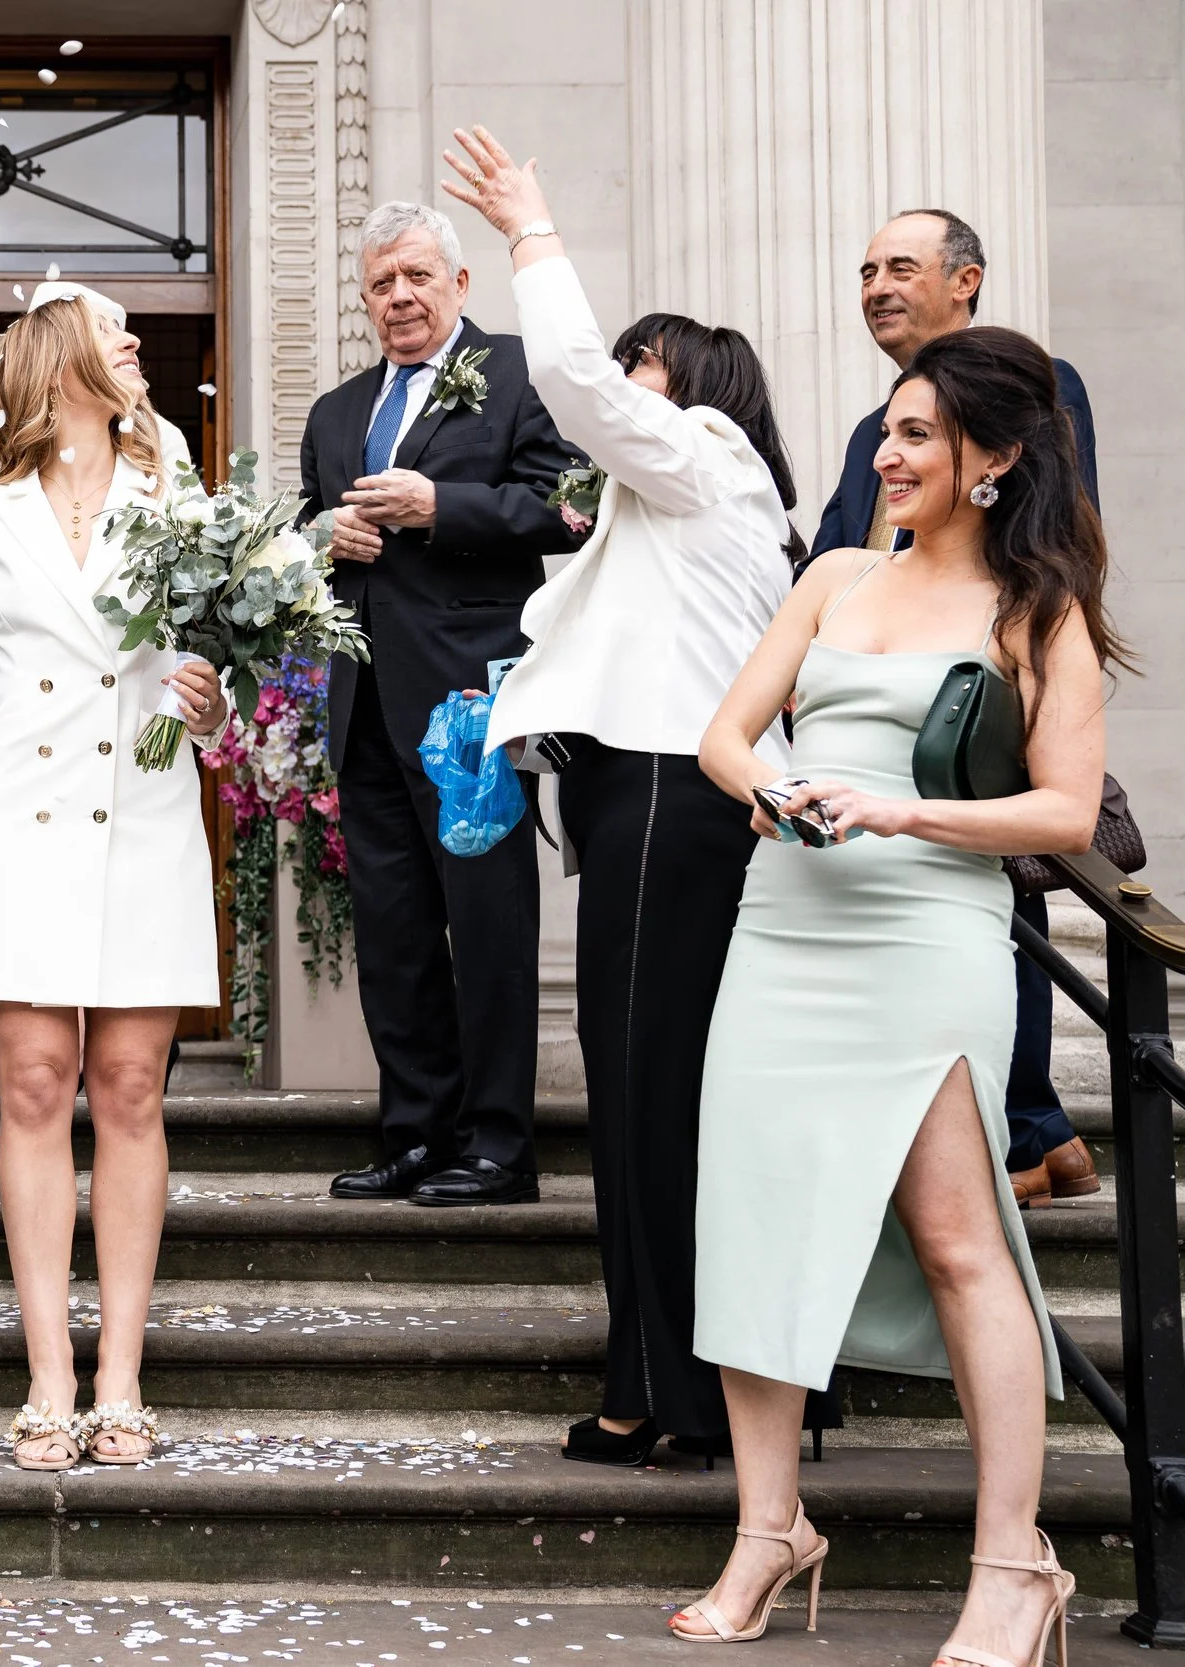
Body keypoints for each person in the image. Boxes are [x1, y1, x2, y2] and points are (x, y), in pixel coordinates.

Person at [686, 325, 1122, 1663]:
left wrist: (904, 809)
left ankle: (1013, 1562)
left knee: (958, 1238)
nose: (891, 449)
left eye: (922, 431)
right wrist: (776, 795)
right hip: (785, 929)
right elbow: (724, 732)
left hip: (930, 938)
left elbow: (1064, 812)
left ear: (993, 458)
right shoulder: (830, 576)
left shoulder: (1036, 611)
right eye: (890, 426)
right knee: (753, 1225)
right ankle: (770, 1528)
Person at [442, 126, 842, 1468]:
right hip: (680, 802)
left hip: (671, 801)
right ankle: (702, 1381)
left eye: (642, 370)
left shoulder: (703, 452)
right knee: (684, 1100)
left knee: (644, 1096)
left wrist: (530, 225)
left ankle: (659, 1393)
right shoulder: (700, 502)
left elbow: (562, 373)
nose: (620, 386)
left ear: (693, 387)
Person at [0, 282, 225, 1471]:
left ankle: (123, 1372)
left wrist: (198, 717)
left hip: (147, 813)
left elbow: (210, 663)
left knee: (129, 1086)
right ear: (65, 357)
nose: (137, 349)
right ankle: (49, 1370)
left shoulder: (184, 499)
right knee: (34, 1081)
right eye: (119, 333)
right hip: (21, 819)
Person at [811, 208, 1105, 1211]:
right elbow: (832, 556)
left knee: (994, 897)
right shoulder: (869, 434)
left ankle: (1018, 1127)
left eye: (901, 266)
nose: (876, 286)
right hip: (881, 714)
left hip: (978, 692)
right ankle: (1043, 1127)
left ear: (966, 281)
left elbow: (1056, 542)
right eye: (863, 271)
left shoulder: (1041, 392)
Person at [300, 200, 583, 1208]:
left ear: (460, 285)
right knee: (394, 932)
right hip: (364, 706)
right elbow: (302, 528)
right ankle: (415, 1133)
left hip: (470, 709)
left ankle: (500, 1145)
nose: (400, 297)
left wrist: (442, 507)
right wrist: (323, 534)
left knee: (489, 925)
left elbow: (570, 505)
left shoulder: (515, 374)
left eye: (418, 276)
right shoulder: (336, 412)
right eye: (381, 282)